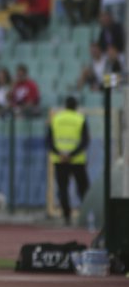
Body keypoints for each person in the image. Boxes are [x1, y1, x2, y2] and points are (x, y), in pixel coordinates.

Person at [47, 96, 90, 225]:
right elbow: (85, 141)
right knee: (83, 188)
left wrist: (60, 153)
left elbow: (49, 140)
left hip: (60, 160)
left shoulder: (56, 118)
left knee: (63, 188)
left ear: (65, 105)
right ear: (76, 106)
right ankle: (86, 215)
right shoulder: (80, 119)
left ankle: (67, 217)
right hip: (77, 160)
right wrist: (71, 154)